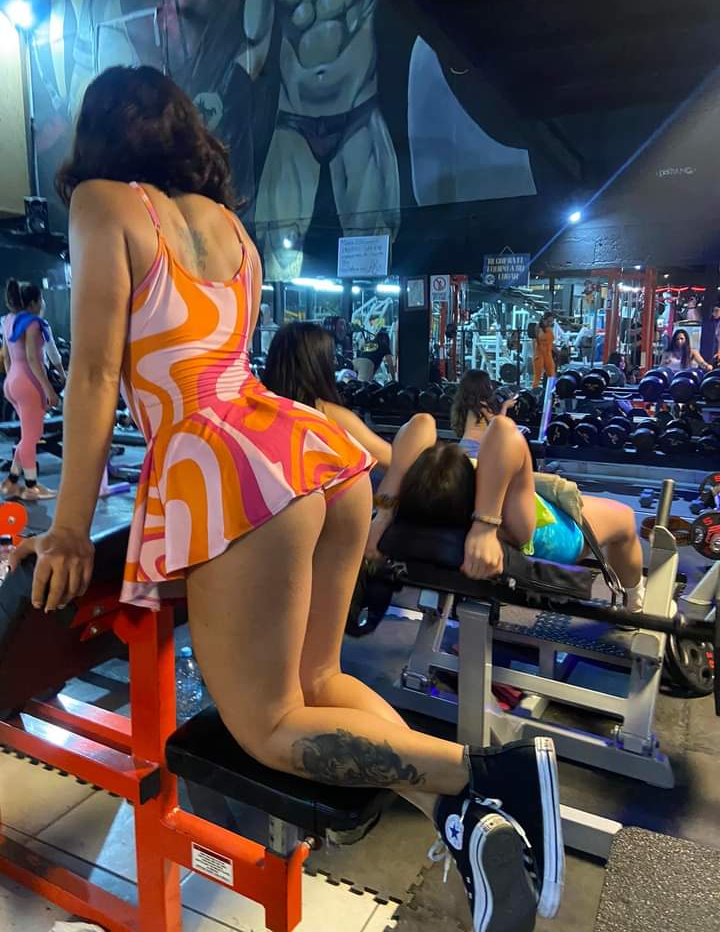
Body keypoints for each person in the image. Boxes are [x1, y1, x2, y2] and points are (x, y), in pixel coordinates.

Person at [12, 66, 562, 931]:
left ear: (102, 133)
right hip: (310, 452)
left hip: (224, 464)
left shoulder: (102, 203)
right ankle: (464, 811)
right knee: (318, 679)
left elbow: (93, 374)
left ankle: (489, 775)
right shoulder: (233, 229)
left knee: (266, 725)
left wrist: (72, 529)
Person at [368, 369, 646, 615]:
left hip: (478, 505)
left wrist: (383, 517)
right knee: (624, 517)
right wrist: (484, 528)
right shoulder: (509, 519)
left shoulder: (427, 495)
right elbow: (503, 430)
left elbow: (421, 424)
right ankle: (633, 609)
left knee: (428, 427)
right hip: (548, 535)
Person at [263, 321, 431, 475]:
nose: (335, 363)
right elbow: (392, 461)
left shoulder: (260, 410)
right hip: (337, 496)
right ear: (318, 365)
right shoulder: (325, 412)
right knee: (424, 425)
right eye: (330, 358)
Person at [0, 279, 61, 500]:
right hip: (28, 382)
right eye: (41, 299)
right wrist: (49, 390)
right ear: (33, 303)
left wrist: (12, 380)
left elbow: (6, 357)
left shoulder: (8, 320)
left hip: (12, 382)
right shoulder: (33, 323)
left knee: (27, 436)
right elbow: (33, 359)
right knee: (32, 437)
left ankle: (11, 483)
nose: (43, 303)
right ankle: (32, 487)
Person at [532, 311, 555, 388]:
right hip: (539, 353)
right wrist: (535, 354)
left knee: (551, 374)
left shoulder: (550, 329)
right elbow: (534, 341)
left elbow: (551, 343)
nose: (550, 323)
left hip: (548, 353)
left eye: (551, 321)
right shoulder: (538, 327)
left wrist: (557, 351)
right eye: (548, 321)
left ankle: (550, 390)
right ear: (544, 320)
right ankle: (534, 391)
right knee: (537, 376)